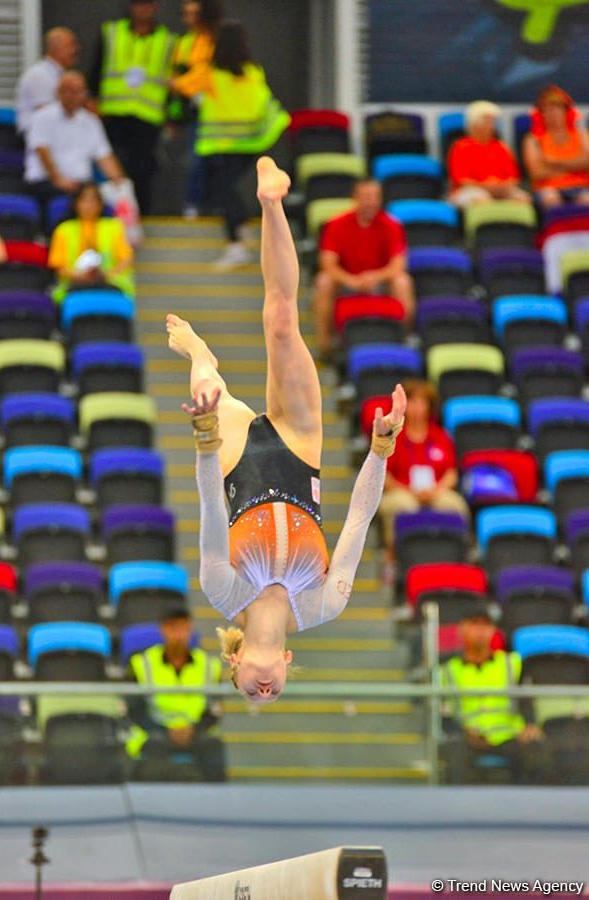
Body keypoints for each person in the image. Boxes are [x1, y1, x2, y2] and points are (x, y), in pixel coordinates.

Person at [165, 157, 407, 706]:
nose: (263, 692)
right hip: (299, 451)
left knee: (209, 390)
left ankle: (200, 351)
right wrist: (382, 447)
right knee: (280, 321)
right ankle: (271, 202)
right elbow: (361, 518)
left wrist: (204, 434)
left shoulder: (222, 590)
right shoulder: (324, 604)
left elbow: (209, 505)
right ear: (289, 660)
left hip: (232, 466)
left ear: (234, 661)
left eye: (250, 692)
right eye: (271, 696)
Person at [170, 20, 290, 269]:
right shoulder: (253, 71)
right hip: (250, 142)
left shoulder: (210, 73)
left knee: (222, 190)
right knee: (227, 190)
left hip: (222, 144)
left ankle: (236, 243)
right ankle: (242, 228)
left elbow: (179, 84)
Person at [440, 601, 549, 784]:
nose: (481, 631)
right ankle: (458, 807)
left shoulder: (512, 663)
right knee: (453, 750)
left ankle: (532, 807)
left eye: (486, 625)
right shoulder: (446, 671)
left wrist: (530, 725)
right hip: (467, 738)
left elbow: (526, 700)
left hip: (508, 736)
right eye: (475, 624)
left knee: (535, 748)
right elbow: (442, 712)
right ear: (461, 629)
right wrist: (463, 732)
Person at [90, 0, 177, 214]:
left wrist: (173, 118)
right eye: (139, 4)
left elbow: (175, 83)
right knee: (111, 168)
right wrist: (93, 99)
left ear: (156, 7)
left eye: (147, 5)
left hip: (148, 116)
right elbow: (97, 68)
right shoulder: (112, 32)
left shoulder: (168, 40)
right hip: (113, 114)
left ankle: (141, 217)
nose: (143, 9)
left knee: (143, 170)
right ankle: (108, 214)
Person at [313, 178, 415, 358]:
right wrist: (351, 280)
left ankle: (404, 338)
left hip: (379, 282)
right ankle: (326, 344)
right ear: (355, 198)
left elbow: (398, 265)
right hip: (346, 282)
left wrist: (375, 277)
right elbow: (328, 264)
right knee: (323, 282)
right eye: (366, 197)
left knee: (403, 282)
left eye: (375, 197)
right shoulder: (336, 224)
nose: (371, 202)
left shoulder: (392, 225)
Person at [125, 608, 226, 782]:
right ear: (163, 629)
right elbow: (134, 710)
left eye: (183, 628)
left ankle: (214, 802)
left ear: (190, 629)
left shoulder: (210, 665)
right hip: (156, 732)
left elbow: (214, 711)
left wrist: (193, 729)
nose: (179, 635)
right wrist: (166, 730)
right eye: (173, 628)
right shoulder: (141, 664)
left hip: (196, 732)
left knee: (213, 747)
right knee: (153, 750)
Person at [378, 379, 469, 555]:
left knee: (454, 505)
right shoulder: (393, 438)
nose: (417, 407)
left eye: (422, 402)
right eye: (413, 401)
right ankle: (394, 558)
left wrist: (435, 490)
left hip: (435, 491)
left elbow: (451, 474)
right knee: (403, 505)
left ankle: (456, 554)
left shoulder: (441, 437)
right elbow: (385, 478)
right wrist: (410, 491)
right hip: (402, 491)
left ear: (429, 406)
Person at [24, 71, 125, 215]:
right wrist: (58, 180)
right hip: (47, 182)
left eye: (78, 92)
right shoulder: (42, 117)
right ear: (58, 92)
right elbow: (42, 151)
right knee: (71, 202)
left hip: (82, 185)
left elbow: (104, 156)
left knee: (111, 199)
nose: (73, 96)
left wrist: (119, 182)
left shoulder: (91, 122)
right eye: (69, 91)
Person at [170, 0, 224, 218]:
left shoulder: (219, 40)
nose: (188, 19)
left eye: (193, 13)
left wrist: (182, 84)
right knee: (196, 159)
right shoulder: (184, 43)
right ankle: (193, 203)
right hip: (196, 110)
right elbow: (177, 76)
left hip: (221, 110)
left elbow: (208, 74)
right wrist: (174, 117)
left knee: (219, 160)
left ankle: (217, 205)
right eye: (185, 14)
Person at [47, 183, 135, 303]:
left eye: (93, 200)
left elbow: (126, 259)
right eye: (84, 200)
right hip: (74, 283)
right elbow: (59, 266)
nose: (89, 205)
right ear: (76, 204)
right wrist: (79, 276)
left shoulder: (114, 227)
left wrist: (106, 274)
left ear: (100, 204)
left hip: (109, 282)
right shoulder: (63, 229)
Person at [448, 101, 531, 209]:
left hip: (501, 190)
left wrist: (500, 187)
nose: (491, 126)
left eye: (492, 122)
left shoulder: (501, 147)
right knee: (481, 198)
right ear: (474, 124)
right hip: (469, 191)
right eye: (487, 121)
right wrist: (488, 187)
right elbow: (463, 181)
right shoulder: (460, 147)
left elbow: (513, 179)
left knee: (522, 197)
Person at [523, 85, 589, 210]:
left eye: (556, 109)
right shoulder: (533, 139)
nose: (551, 114)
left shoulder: (582, 134)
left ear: (566, 111)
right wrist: (575, 166)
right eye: (546, 110)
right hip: (547, 188)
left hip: (581, 186)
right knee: (551, 199)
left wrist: (553, 162)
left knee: (586, 199)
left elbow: (587, 162)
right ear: (540, 114)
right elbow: (537, 173)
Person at [15, 28, 80, 139]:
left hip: (56, 137)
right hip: (37, 140)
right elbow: (47, 115)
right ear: (56, 49)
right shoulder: (39, 75)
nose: (77, 49)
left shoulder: (58, 74)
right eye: (71, 45)